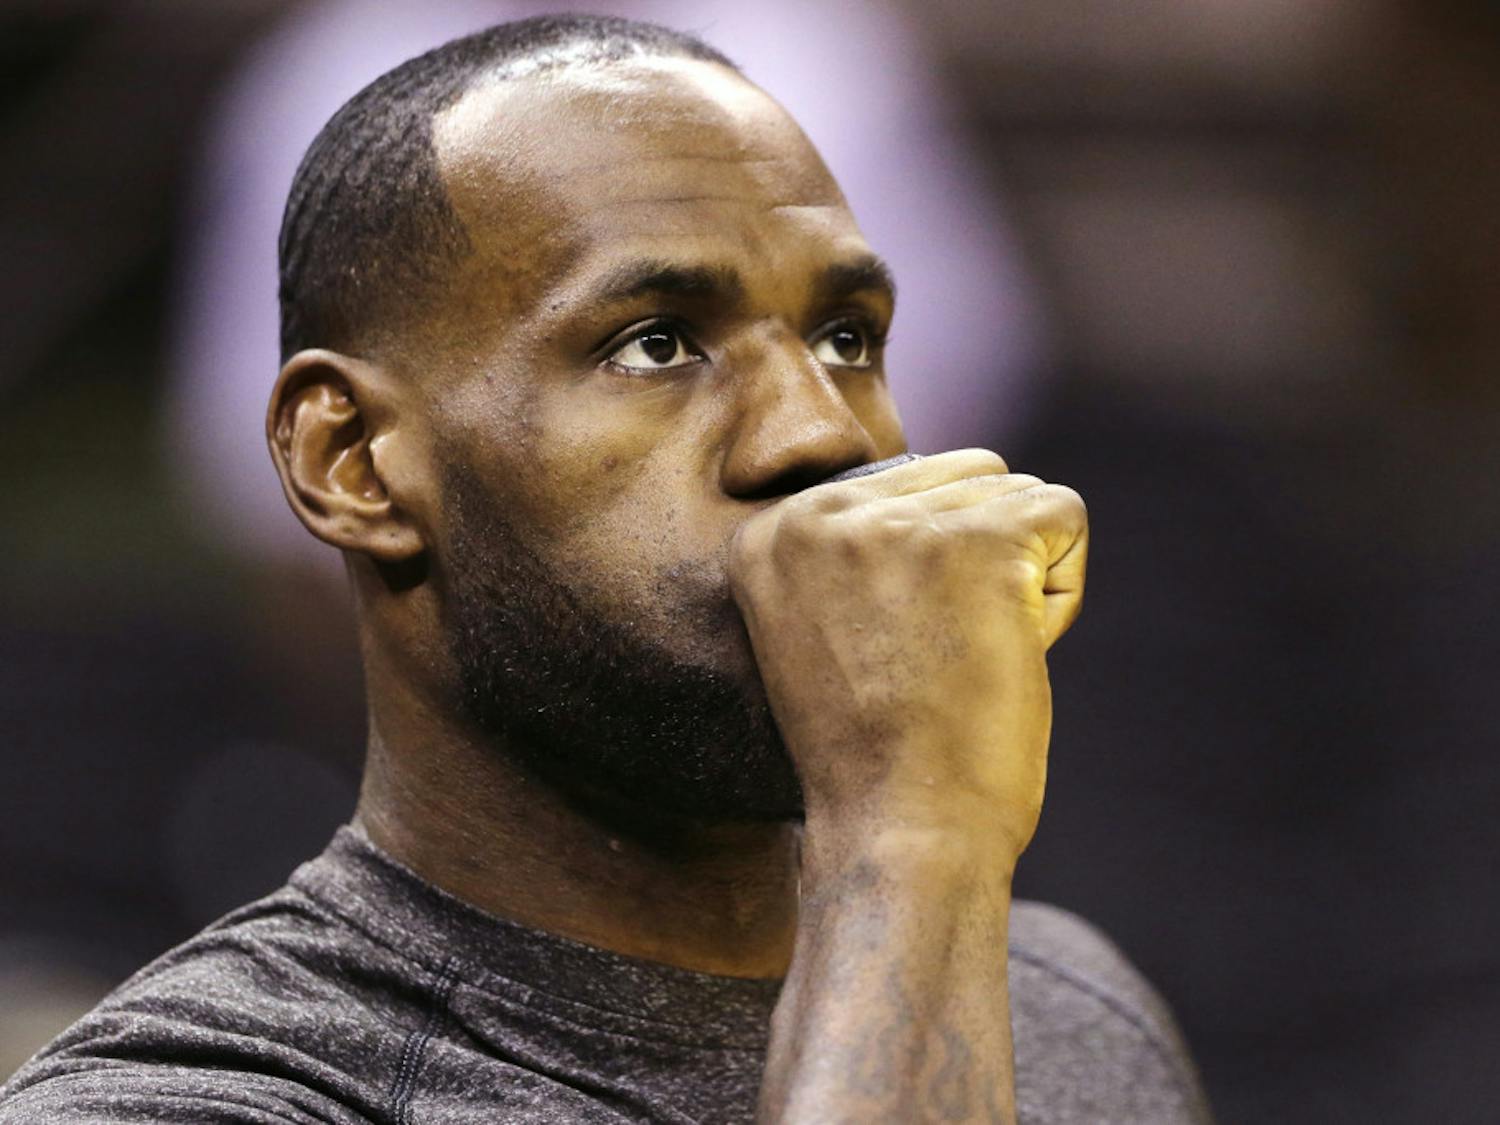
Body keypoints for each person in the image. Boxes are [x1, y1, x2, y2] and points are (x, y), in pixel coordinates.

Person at [0, 15, 1212, 1124]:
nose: (823, 438)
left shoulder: (1073, 1019)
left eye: (849, 339)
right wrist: (908, 841)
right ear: (353, 462)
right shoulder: (199, 1099)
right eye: (657, 344)